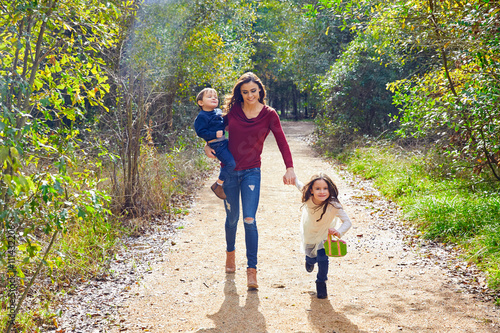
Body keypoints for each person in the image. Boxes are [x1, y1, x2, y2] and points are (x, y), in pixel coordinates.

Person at [204, 72, 296, 290]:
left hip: (252, 172)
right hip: (229, 172)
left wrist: (289, 168)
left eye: (253, 91)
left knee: (249, 219)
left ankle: (252, 271)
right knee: (232, 218)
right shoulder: (233, 112)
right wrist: (207, 144)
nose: (249, 95)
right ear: (240, 93)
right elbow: (213, 130)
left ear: (260, 91)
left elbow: (282, 142)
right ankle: (230, 255)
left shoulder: (269, 115)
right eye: (245, 92)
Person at [295, 173, 352, 299]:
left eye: (325, 188)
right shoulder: (308, 198)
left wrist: (339, 232)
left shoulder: (334, 205)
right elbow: (298, 184)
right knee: (312, 258)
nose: (322, 192)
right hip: (310, 232)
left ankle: (321, 282)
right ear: (311, 190)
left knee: (323, 258)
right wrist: (292, 175)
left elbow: (348, 222)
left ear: (330, 190)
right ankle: (309, 261)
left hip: (325, 235)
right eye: (318, 189)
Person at [194, 88, 236, 200]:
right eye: (209, 96)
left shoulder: (218, 111)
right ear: (201, 102)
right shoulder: (202, 116)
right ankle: (218, 184)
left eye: (216, 97)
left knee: (233, 159)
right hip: (216, 145)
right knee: (231, 163)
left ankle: (230, 181)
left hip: (224, 141)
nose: (214, 98)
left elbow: (224, 122)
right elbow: (200, 132)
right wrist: (213, 134)